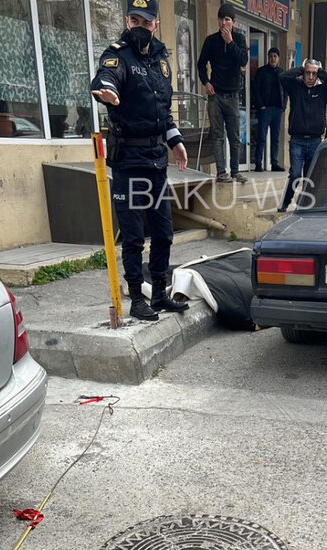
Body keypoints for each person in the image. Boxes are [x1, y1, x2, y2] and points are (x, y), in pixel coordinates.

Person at [91, 0, 189, 322]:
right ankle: (136, 298)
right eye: (134, 20)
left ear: (155, 24)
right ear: (127, 20)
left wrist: (175, 142)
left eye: (145, 23)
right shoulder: (118, 55)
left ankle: (158, 292)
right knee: (133, 237)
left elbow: (164, 108)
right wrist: (106, 91)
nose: (139, 27)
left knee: (163, 232)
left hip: (156, 160)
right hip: (129, 161)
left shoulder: (162, 57)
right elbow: (105, 78)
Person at [277, 58, 327, 212]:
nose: (311, 77)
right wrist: (301, 67)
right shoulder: (295, 87)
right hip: (297, 141)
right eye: (308, 73)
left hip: (315, 142)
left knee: (310, 177)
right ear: (303, 73)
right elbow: (282, 77)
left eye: (314, 74)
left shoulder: (323, 90)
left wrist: (320, 70)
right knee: (295, 174)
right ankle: (285, 204)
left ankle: (305, 206)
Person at [197, 3, 248, 183]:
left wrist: (230, 42)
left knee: (234, 135)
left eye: (227, 19)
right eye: (221, 19)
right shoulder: (211, 41)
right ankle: (221, 172)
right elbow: (200, 64)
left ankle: (235, 171)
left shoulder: (239, 39)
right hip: (215, 95)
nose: (223, 22)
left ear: (233, 22)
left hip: (233, 95)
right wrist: (206, 82)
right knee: (217, 135)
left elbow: (243, 60)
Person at [253, 47, 287, 172]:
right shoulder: (262, 72)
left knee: (275, 137)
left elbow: (285, 91)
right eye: (271, 56)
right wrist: (261, 105)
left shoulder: (282, 73)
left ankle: (274, 163)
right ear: (268, 58)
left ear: (278, 58)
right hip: (265, 109)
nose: (272, 59)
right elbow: (256, 90)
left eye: (275, 56)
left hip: (277, 109)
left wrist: (283, 106)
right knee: (261, 136)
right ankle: (258, 163)